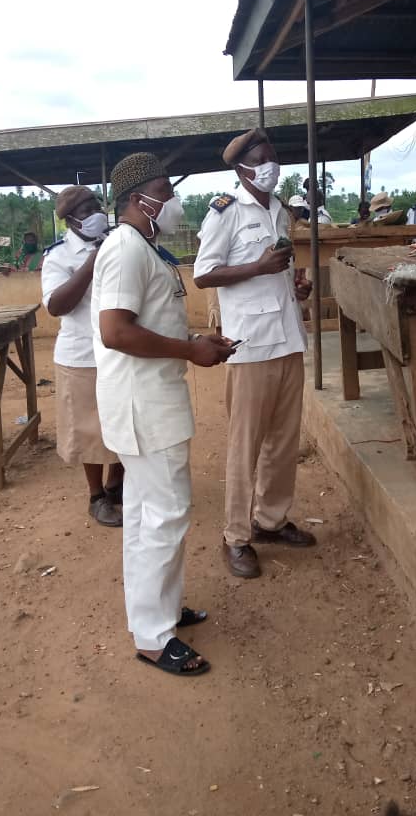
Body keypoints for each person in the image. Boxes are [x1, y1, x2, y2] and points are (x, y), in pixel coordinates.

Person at [93, 152, 234, 676]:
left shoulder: (144, 248)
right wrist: (190, 351)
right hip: (143, 405)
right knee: (165, 513)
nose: (174, 201)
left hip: (152, 399)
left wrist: (196, 341)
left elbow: (150, 322)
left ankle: (160, 612)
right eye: (165, 191)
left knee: (145, 514)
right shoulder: (125, 249)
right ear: (138, 199)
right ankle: (153, 637)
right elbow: (115, 331)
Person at [193, 128, 315, 579]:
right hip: (250, 345)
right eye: (261, 160)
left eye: (273, 158)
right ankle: (236, 536)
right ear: (242, 168)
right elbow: (204, 274)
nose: (271, 167)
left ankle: (271, 521)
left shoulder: (280, 210)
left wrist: (295, 286)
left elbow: (277, 269)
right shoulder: (224, 212)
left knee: (283, 441)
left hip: (287, 338)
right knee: (246, 447)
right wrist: (258, 267)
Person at [42, 187, 123, 526]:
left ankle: (116, 485)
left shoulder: (116, 241)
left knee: (122, 421)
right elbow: (56, 305)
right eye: (86, 210)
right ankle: (96, 496)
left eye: (96, 206)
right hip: (81, 355)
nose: (95, 214)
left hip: (119, 349)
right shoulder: (58, 256)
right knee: (90, 428)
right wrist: (91, 263)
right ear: (70, 220)